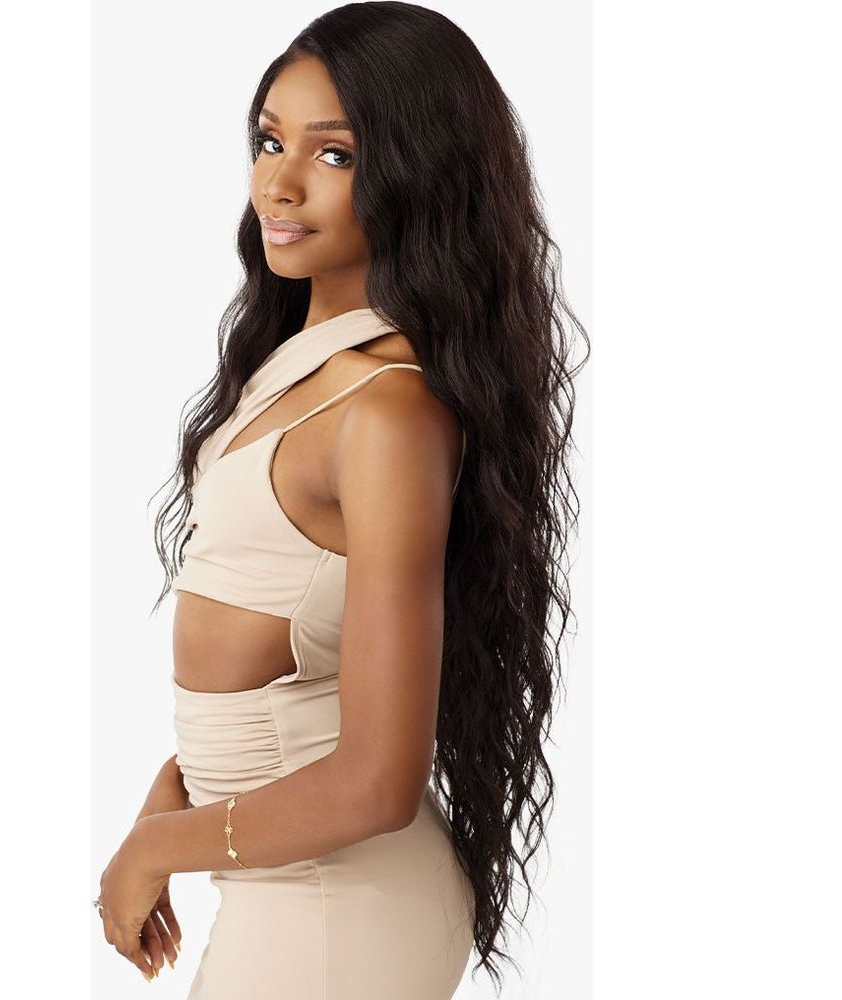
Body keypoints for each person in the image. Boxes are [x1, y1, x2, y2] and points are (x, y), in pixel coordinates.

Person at [96, 3, 588, 996]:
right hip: (286, 878)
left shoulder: (388, 412)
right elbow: (286, 666)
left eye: (335, 154)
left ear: (417, 173)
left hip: (338, 901)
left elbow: (375, 780)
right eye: (269, 140)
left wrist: (155, 849)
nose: (277, 183)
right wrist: (173, 795)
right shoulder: (295, 367)